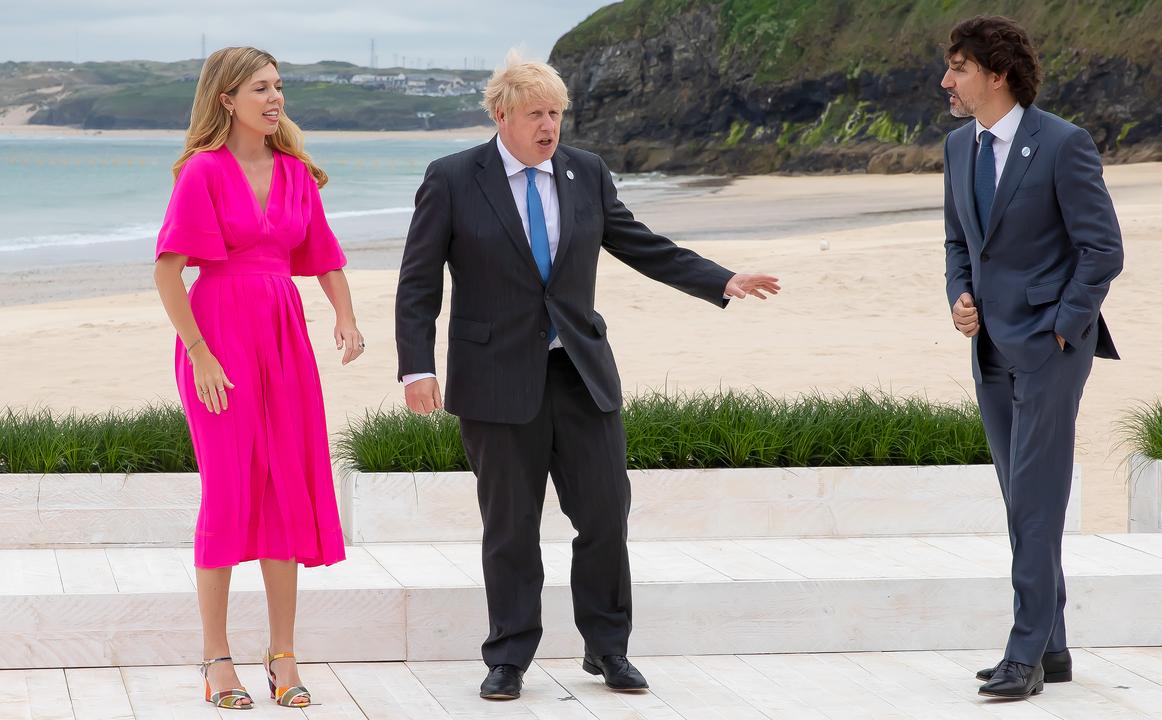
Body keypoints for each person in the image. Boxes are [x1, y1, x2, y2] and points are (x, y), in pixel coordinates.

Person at [395, 51, 780, 700]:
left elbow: (640, 244)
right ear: (501, 116)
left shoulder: (585, 173)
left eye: (556, 114)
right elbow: (418, 283)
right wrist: (416, 367)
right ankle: (509, 658)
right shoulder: (454, 178)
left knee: (605, 516)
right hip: (494, 380)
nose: (549, 127)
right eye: (536, 114)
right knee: (511, 526)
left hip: (580, 374)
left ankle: (607, 649)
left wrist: (721, 279)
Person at [153, 46, 361, 709]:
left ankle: (282, 655)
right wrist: (200, 352)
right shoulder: (203, 173)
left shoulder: (296, 173)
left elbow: (323, 256)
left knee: (286, 493)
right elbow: (167, 271)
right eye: (261, 89)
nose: (275, 99)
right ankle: (217, 658)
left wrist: (345, 318)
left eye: (279, 88)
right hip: (217, 341)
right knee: (227, 492)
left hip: (284, 339)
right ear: (226, 100)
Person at [940, 16, 1123, 699]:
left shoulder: (1063, 145)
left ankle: (1024, 654)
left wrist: (1063, 328)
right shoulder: (959, 148)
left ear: (998, 75)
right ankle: (1054, 646)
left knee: (1038, 504)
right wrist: (960, 296)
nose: (947, 80)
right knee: (1022, 498)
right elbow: (960, 243)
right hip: (989, 347)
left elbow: (1104, 249)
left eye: (958, 67)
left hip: (1050, 348)